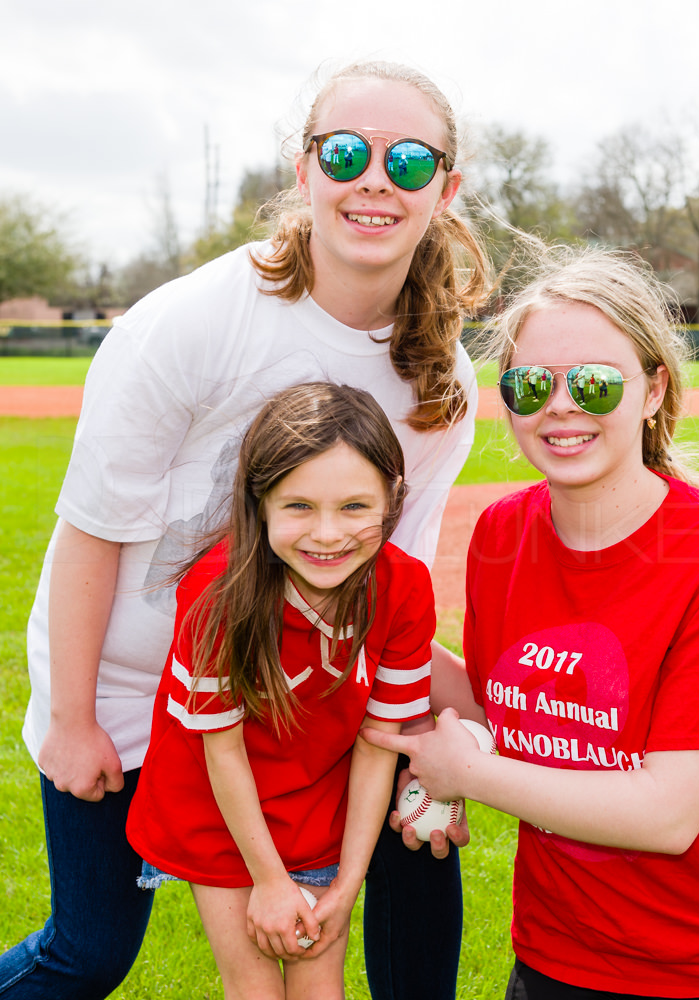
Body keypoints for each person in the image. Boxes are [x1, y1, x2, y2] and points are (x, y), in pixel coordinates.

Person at [3, 59, 492, 1000]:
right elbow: (92, 532)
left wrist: (468, 713)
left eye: (411, 159)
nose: (375, 180)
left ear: (447, 186)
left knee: (407, 864)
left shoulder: (442, 384)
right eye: (346, 152)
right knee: (90, 948)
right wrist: (70, 720)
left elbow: (392, 584)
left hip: (309, 697)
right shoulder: (190, 322)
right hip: (132, 684)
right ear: (304, 170)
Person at [363, 245, 699, 998]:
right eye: (530, 384)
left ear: (654, 389)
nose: (559, 407)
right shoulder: (503, 534)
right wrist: (360, 615)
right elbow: (518, 708)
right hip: (557, 955)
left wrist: (466, 771)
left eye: (594, 385)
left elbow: (668, 815)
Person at [126, 383, 435, 999]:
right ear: (259, 501)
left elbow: (379, 743)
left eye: (354, 507)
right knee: (256, 988)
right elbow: (222, 750)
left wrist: (347, 885)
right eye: (298, 506)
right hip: (216, 809)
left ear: (393, 500)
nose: (327, 534)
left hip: (316, 799)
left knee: (319, 984)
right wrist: (269, 880)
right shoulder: (219, 593)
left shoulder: (405, 588)